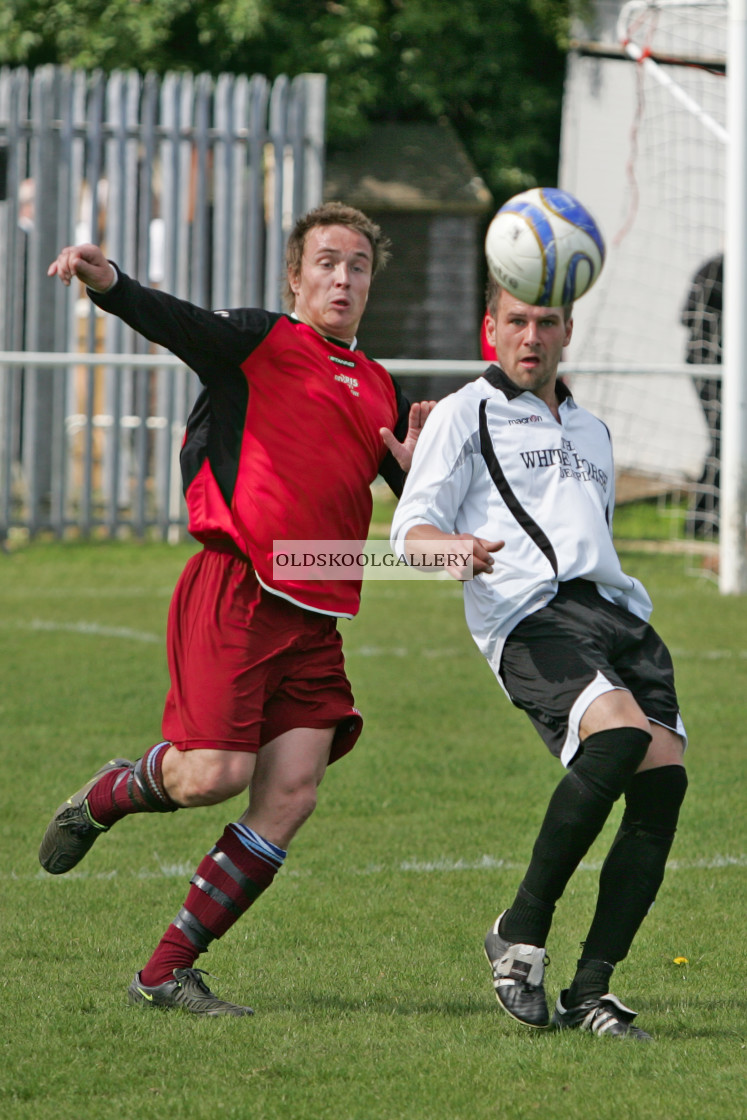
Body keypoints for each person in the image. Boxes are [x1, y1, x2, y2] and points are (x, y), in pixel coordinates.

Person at [41, 201, 435, 1017]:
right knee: (212, 777)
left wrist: (422, 471)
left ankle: (165, 972)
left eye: (358, 266)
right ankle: (112, 792)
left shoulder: (378, 386)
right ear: (296, 275)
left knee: (291, 793)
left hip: (316, 614)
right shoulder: (259, 341)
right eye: (327, 261)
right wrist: (108, 282)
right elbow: (172, 320)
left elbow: (415, 507)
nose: (343, 277)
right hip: (237, 589)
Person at [390, 274, 688, 1041]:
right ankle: (518, 934)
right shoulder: (464, 413)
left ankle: (590, 991)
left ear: (566, 329)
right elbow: (408, 532)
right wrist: (447, 550)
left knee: (661, 786)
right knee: (617, 738)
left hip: (616, 615)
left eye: (545, 322)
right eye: (515, 321)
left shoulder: (592, 430)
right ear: (490, 329)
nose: (531, 336)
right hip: (526, 612)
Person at [680, 252, 723, 537]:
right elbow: (687, 317)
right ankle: (701, 520)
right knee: (724, 437)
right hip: (708, 364)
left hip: (728, 368)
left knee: (725, 439)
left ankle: (707, 520)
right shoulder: (715, 268)